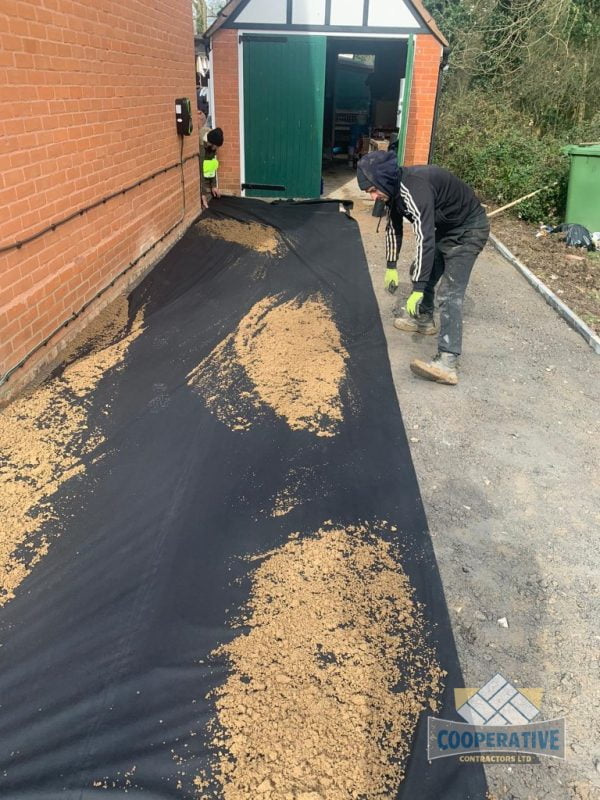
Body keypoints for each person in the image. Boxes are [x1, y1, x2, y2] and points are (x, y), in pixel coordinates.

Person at [356, 150, 489, 385]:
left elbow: (424, 238)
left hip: (469, 230)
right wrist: (391, 265)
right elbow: (393, 228)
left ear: (383, 180)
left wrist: (418, 288)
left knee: (449, 294)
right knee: (419, 269)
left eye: (373, 190)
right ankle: (424, 319)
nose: (374, 196)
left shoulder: (414, 189)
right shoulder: (393, 192)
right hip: (447, 228)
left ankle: (448, 362)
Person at [200, 127, 224, 210]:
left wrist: (214, 186)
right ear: (212, 143)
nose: (217, 149)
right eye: (216, 146)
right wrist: (202, 194)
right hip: (200, 177)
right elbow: (201, 171)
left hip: (206, 178)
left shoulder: (212, 144)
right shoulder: (201, 147)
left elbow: (211, 166)